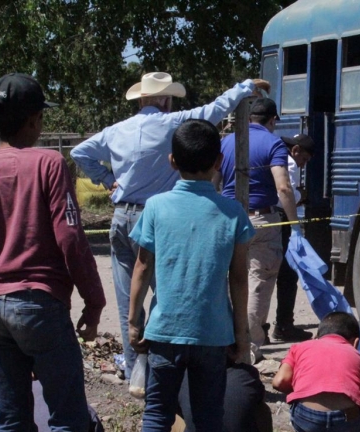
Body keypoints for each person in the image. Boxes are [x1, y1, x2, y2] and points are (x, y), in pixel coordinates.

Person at [71, 72, 268, 380]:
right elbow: (213, 110)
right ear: (164, 99)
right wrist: (245, 88)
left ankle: (137, 372)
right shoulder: (171, 123)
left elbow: (79, 152)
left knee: (128, 301)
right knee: (167, 293)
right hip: (155, 217)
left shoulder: (116, 131)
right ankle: (171, 370)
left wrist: (109, 181)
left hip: (122, 216)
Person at [127, 119, 253, 432]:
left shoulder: (156, 207)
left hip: (164, 332)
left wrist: (135, 324)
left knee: (156, 416)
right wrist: (241, 335)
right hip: (213, 336)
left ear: (170, 160)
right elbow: (239, 279)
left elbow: (142, 268)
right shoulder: (232, 213)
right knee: (208, 421)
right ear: (219, 160)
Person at [0, 73, 106, 432]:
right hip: (39, 304)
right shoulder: (48, 163)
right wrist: (94, 302)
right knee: (67, 418)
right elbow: (70, 238)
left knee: (11, 418)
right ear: (33, 120)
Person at [218, 97, 300, 362]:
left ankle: (225, 341)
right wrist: (293, 224)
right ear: (272, 120)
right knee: (258, 283)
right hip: (262, 221)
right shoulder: (273, 143)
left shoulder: (226, 142)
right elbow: (284, 187)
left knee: (229, 280)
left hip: (228, 219)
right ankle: (248, 348)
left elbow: (214, 181)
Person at [272, 133, 315, 343]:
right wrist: (299, 196)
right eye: (304, 159)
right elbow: (284, 192)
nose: (303, 164)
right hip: (282, 219)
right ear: (296, 150)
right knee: (287, 274)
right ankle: (283, 326)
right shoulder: (289, 163)